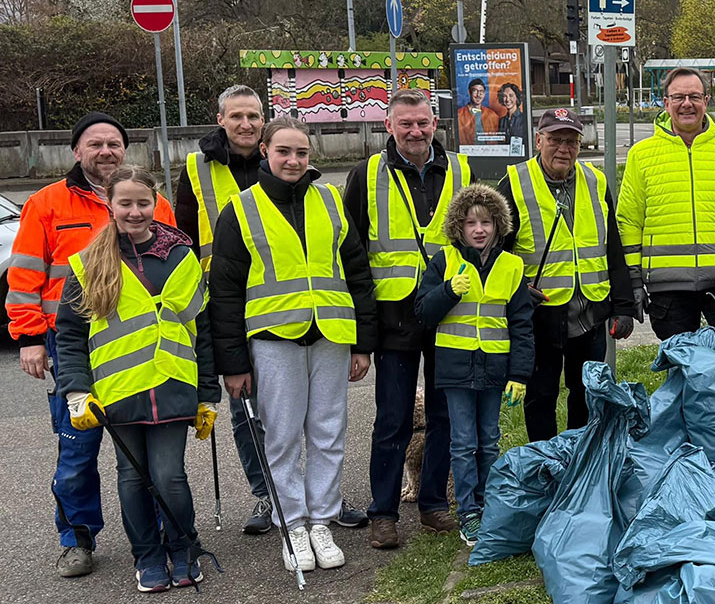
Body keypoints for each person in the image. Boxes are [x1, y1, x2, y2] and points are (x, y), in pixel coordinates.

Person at [175, 85, 373, 534]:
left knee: (326, 431)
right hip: (262, 330)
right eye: (284, 151)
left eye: (301, 152)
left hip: (327, 332)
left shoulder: (327, 198)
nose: (293, 159)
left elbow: (355, 273)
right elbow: (189, 245)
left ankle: (322, 512)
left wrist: (364, 341)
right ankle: (280, 507)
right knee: (270, 432)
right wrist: (230, 357)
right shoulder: (215, 186)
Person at [7, 112, 176, 578]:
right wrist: (27, 338)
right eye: (94, 144)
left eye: (114, 144)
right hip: (73, 343)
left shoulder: (152, 202)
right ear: (76, 151)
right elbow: (24, 276)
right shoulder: (46, 203)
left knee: (145, 446)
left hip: (141, 344)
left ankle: (161, 530)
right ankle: (77, 538)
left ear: (126, 150)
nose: (105, 151)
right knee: (77, 448)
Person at [56, 166, 219, 592]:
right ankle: (147, 555)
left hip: (172, 387)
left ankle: (184, 547)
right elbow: (71, 335)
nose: (134, 212)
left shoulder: (181, 257)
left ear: (156, 202)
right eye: (125, 203)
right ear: (109, 204)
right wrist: (76, 390)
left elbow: (199, 329)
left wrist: (207, 395)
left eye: (142, 203)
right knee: (132, 477)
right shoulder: (89, 263)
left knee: (169, 475)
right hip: (119, 392)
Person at [344, 88, 470, 550]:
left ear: (435, 123)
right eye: (405, 124)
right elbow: (353, 252)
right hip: (393, 316)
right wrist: (363, 326)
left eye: (423, 123)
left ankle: (434, 503)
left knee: (443, 414)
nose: (415, 132)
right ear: (389, 126)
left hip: (449, 311)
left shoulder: (459, 168)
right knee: (392, 418)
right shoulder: (366, 174)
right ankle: (383, 513)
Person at [498, 107, 636, 441]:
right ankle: (544, 464)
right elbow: (493, 253)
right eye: (556, 140)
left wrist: (623, 306)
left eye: (572, 141)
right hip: (540, 315)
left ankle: (578, 462)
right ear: (538, 140)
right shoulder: (514, 183)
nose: (564, 148)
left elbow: (612, 247)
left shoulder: (595, 180)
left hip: (590, 311)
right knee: (541, 395)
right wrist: (516, 289)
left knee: (585, 394)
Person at [415, 184, 534, 547]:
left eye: (486, 222)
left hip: (495, 368)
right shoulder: (443, 261)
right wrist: (449, 289)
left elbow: (522, 325)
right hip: (455, 367)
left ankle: (488, 503)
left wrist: (519, 375)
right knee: (463, 442)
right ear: (459, 228)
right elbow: (422, 312)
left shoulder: (512, 266)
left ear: (498, 225)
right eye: (470, 223)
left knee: (490, 441)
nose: (479, 229)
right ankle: (468, 510)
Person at [617, 67, 715, 351]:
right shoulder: (641, 155)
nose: (687, 104)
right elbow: (629, 221)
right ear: (665, 102)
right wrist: (634, 279)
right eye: (679, 97)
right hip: (667, 290)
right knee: (684, 376)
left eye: (694, 96)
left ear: (706, 101)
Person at [457, 78, 500, 146]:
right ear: (469, 92)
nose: (478, 95)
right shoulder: (459, 115)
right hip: (468, 154)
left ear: (484, 94)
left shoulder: (492, 115)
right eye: (475, 91)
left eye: (481, 91)